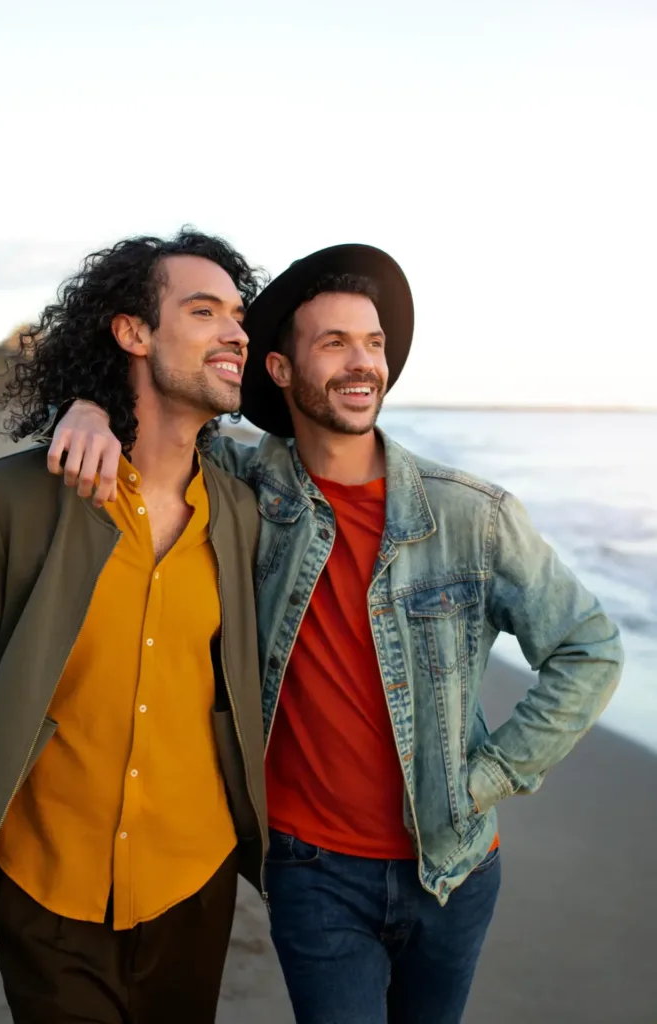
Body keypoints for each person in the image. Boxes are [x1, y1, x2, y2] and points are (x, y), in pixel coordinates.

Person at [47, 243, 623, 1024]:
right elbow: (158, 422)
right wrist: (85, 408)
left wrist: (485, 779)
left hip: (451, 866)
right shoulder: (247, 486)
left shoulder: (471, 515)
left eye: (374, 343)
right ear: (280, 372)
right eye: (335, 343)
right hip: (310, 869)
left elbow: (588, 648)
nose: (363, 364)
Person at [0, 229, 269, 1024]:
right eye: (203, 311)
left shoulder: (245, 513)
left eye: (239, 317)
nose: (235, 333)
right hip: (47, 881)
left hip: (196, 879)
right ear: (132, 332)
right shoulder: (15, 497)